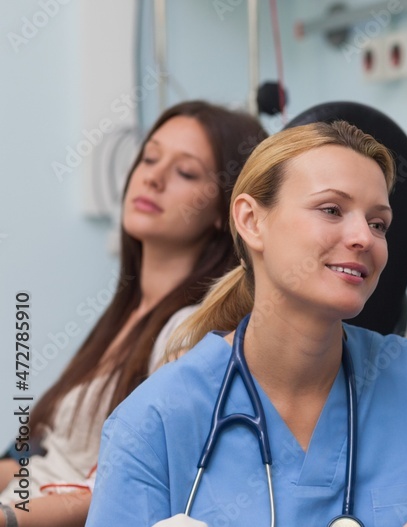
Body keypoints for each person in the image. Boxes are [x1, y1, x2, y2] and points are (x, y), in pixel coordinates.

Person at [84, 121, 407, 527]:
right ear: (251, 221)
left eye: (378, 223)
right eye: (331, 210)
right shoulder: (154, 422)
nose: (364, 238)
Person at [0, 101, 266, 527]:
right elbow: (39, 461)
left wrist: (10, 518)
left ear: (227, 212)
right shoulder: (127, 313)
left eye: (186, 172)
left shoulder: (192, 332)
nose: (152, 178)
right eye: (149, 158)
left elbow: (127, 491)